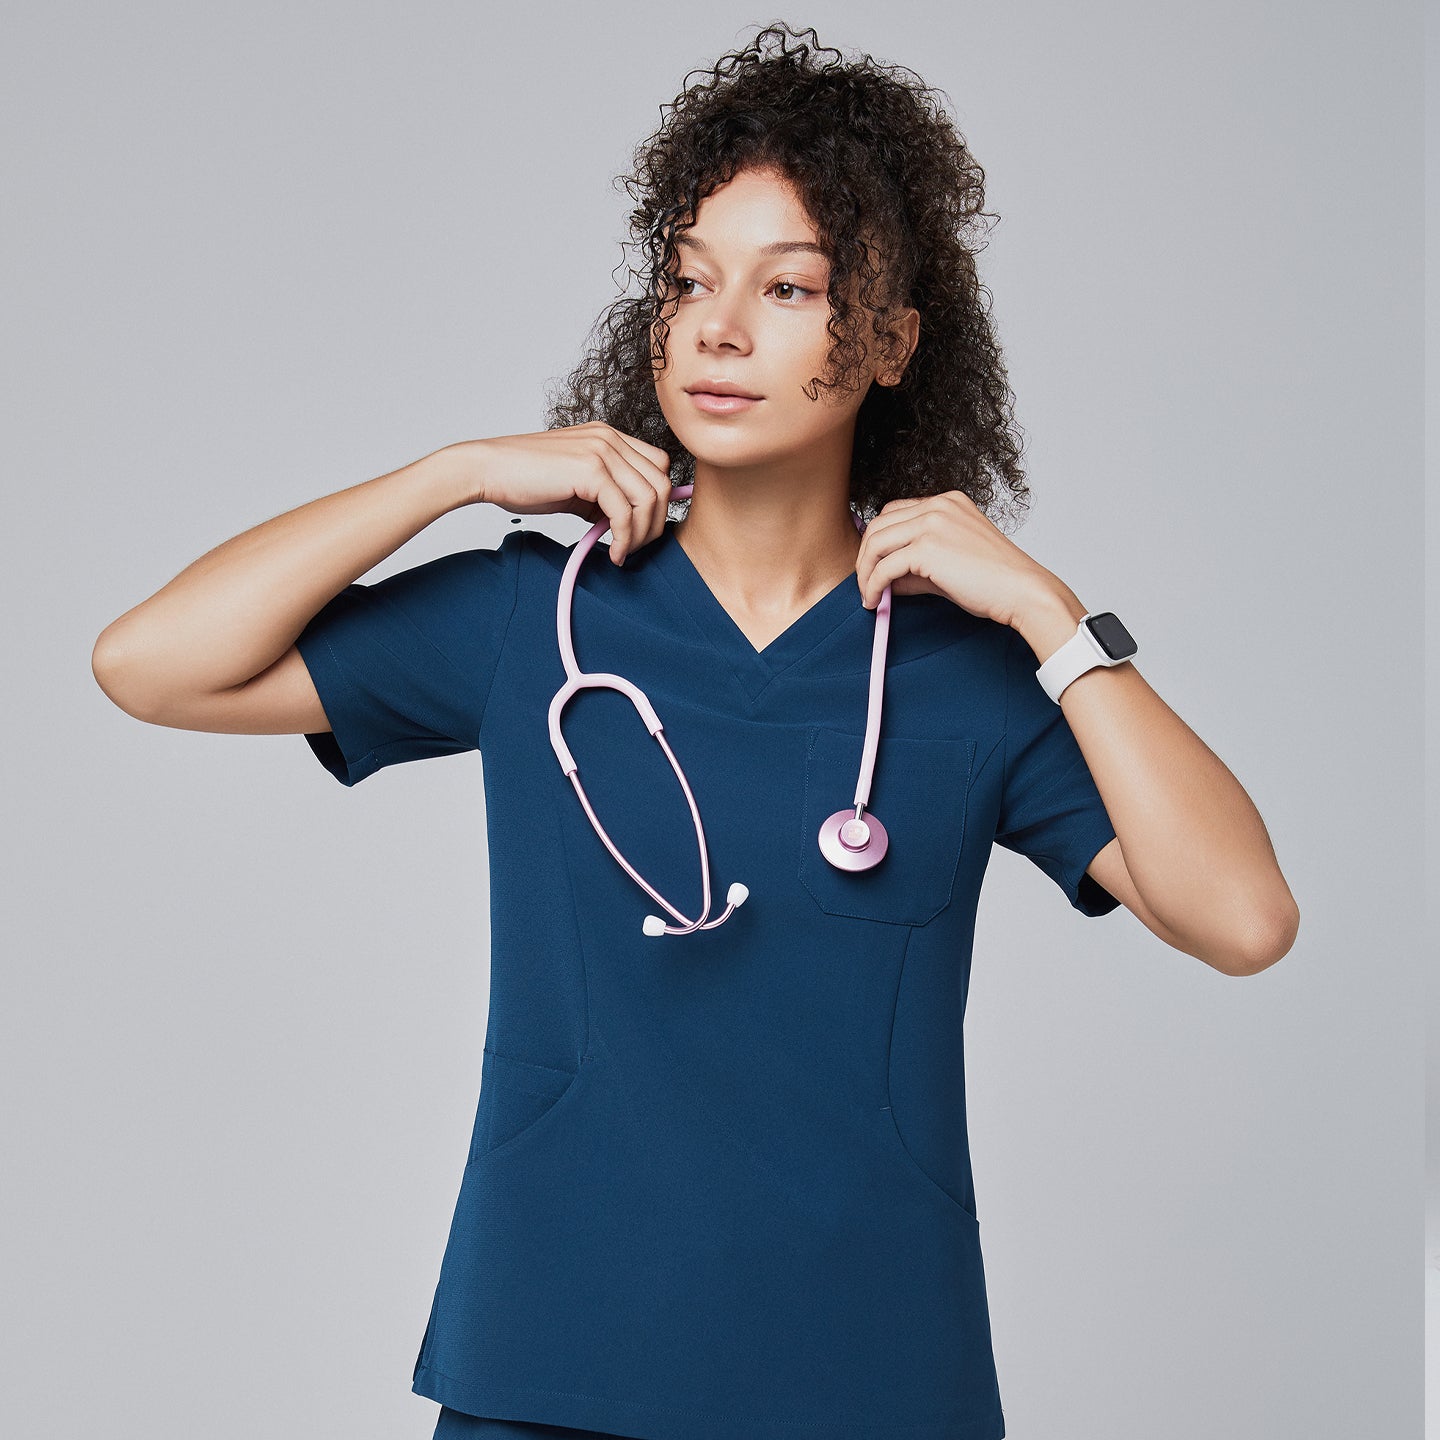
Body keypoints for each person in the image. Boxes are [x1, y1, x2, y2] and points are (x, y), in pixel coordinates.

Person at [91, 21, 1300, 1440]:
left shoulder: (973, 672)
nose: (719, 329)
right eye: (687, 280)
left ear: (894, 341)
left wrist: (1053, 619)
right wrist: (454, 475)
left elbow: (1243, 919)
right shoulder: (532, 620)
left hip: (871, 1378)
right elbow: (150, 665)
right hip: (548, 1364)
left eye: (790, 287)